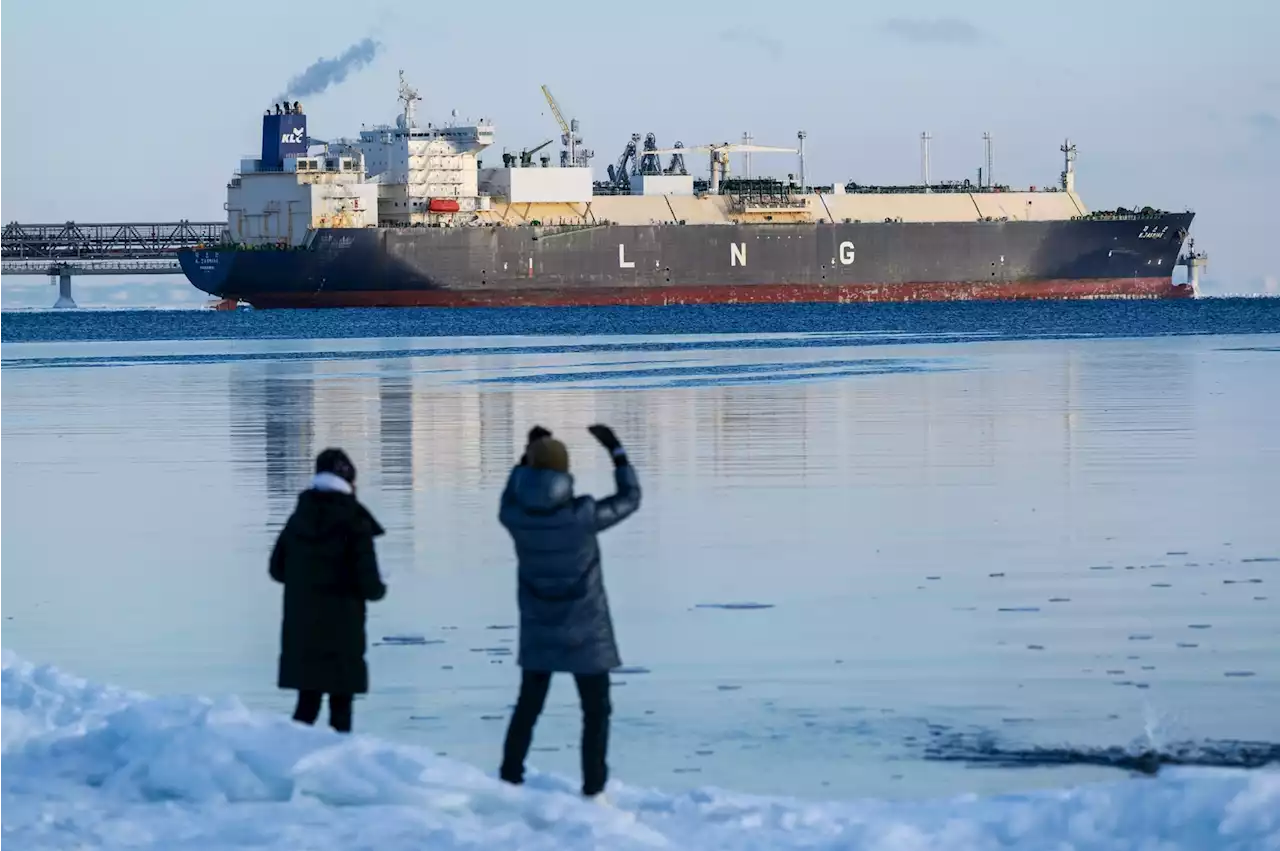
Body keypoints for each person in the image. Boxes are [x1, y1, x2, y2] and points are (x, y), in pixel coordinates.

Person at [497, 424, 641, 801]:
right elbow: (631, 498)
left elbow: (509, 497)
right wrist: (617, 451)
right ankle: (593, 788)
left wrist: (525, 458)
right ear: (565, 473)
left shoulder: (516, 517)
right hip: (586, 628)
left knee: (529, 704)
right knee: (595, 711)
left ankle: (509, 776)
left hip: (539, 625)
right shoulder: (584, 515)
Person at [269, 448, 387, 733]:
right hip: (342, 629)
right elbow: (371, 587)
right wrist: (381, 585)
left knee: (306, 705)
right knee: (341, 707)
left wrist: (307, 578)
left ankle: (288, 758)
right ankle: (338, 767)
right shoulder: (355, 522)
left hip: (302, 628)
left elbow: (277, 569)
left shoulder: (298, 519)